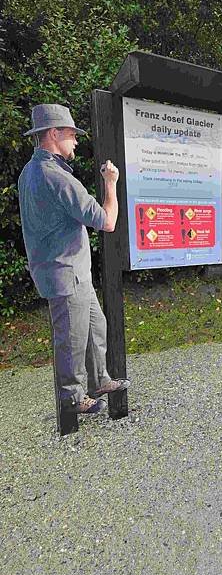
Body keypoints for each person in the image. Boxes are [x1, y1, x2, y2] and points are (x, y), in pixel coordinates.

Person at [18, 104, 130, 414]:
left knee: (95, 327)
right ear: (53, 134)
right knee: (71, 338)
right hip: (65, 272)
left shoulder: (30, 171)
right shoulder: (57, 177)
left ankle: (99, 379)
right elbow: (106, 221)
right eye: (71, 135)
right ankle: (71, 396)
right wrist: (111, 183)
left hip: (66, 269)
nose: (76, 141)